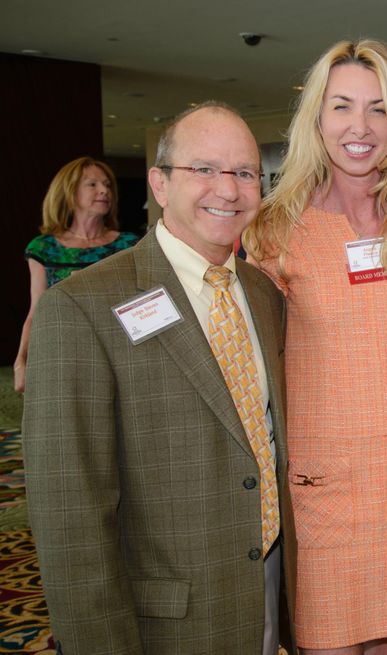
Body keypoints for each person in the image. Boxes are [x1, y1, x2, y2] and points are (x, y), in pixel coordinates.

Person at [23, 102, 295, 654]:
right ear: (160, 184)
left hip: (266, 592)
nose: (228, 189)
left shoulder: (264, 294)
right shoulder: (82, 307)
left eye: (244, 173)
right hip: (163, 623)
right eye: (204, 169)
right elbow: (69, 515)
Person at [243, 39, 387, 655]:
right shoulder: (273, 229)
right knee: (325, 641)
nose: (359, 127)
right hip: (323, 476)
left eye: (378, 108)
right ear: (317, 118)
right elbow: (260, 363)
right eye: (342, 107)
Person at [13, 157, 139, 392]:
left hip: (118, 353)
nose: (104, 190)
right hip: (63, 352)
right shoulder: (44, 248)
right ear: (69, 193)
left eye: (107, 185)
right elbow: (36, 311)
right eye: (92, 184)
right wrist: (22, 361)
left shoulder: (129, 245)